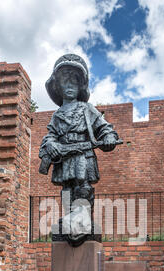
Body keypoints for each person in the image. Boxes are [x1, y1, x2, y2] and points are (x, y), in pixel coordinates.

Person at [39, 53, 120, 211]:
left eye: (74, 83)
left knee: (82, 186)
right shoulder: (57, 115)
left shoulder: (87, 109)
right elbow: (50, 135)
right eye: (65, 83)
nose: (69, 86)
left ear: (80, 86)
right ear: (58, 87)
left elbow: (103, 127)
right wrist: (51, 144)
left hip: (83, 155)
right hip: (64, 156)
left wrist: (109, 137)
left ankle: (82, 217)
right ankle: (69, 216)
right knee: (67, 188)